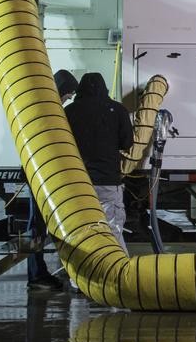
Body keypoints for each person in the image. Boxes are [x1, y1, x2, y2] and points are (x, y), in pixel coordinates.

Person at [64, 73, 134, 252]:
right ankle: (117, 276)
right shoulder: (117, 110)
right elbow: (127, 143)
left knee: (79, 232)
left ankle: (77, 277)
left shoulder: (69, 111)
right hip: (108, 182)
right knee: (113, 231)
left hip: (77, 183)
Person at [22, 72, 78, 291]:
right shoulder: (47, 109)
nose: (68, 100)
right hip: (41, 175)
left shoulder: (44, 105)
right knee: (37, 225)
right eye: (68, 95)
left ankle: (39, 273)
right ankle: (36, 275)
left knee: (40, 225)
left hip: (42, 174)